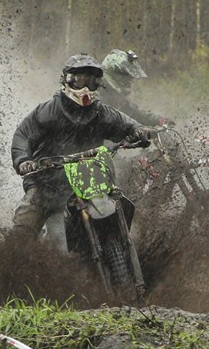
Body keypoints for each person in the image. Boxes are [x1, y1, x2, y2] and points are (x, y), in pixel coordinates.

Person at [10, 53, 154, 235]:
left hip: (92, 181)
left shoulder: (102, 113)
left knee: (119, 202)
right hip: (47, 184)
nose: (86, 88)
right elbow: (23, 135)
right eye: (80, 81)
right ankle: (9, 260)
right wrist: (23, 160)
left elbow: (128, 124)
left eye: (92, 82)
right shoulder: (47, 112)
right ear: (67, 81)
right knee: (22, 230)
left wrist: (139, 131)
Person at [101, 49, 174, 127]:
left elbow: (136, 114)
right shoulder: (94, 98)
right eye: (126, 77)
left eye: (129, 78)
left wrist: (158, 119)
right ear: (115, 74)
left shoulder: (118, 99)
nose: (128, 81)